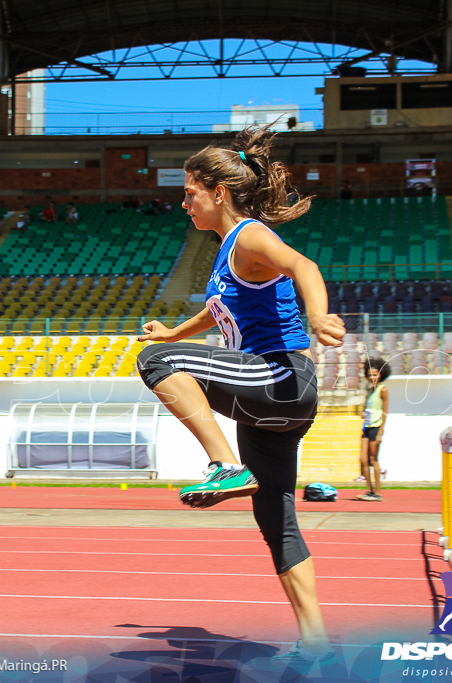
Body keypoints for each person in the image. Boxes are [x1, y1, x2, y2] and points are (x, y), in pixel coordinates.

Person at [135, 124, 345, 663]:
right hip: (272, 404)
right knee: (275, 519)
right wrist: (175, 333)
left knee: (154, 364)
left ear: (219, 192)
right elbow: (219, 312)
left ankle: (224, 464)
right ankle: (317, 642)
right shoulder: (229, 253)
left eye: (190, 194)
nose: (184, 204)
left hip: (279, 379)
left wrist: (318, 315)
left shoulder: (250, 235)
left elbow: (304, 265)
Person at [357, 358, 390, 502]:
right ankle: (369, 491)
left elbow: (384, 411)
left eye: (375, 374)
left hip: (376, 427)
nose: (372, 377)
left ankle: (378, 492)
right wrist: (364, 413)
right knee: (363, 459)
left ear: (381, 374)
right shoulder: (370, 390)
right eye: (369, 374)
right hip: (367, 426)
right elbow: (369, 409)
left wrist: (381, 431)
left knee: (373, 459)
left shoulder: (383, 390)